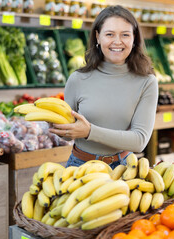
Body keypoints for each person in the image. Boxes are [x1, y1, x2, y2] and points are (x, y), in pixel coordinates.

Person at [49, 5, 158, 169]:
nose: (117, 41)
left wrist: (90, 132)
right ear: (98, 37)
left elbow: (139, 141)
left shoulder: (147, 82)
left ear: (134, 39)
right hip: (80, 166)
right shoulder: (77, 79)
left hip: (122, 168)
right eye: (110, 34)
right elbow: (67, 135)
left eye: (125, 35)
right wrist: (57, 126)